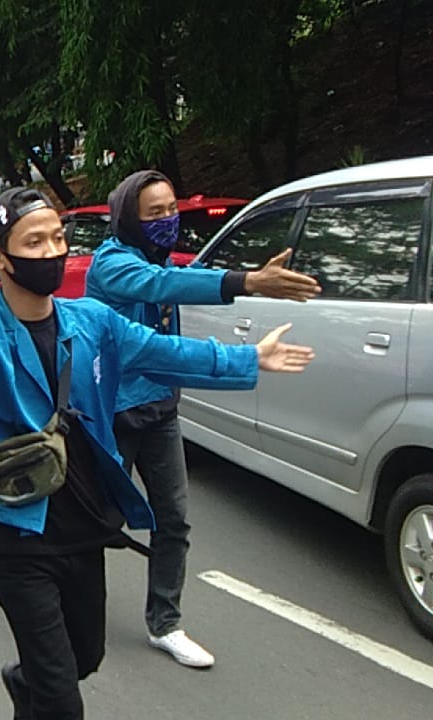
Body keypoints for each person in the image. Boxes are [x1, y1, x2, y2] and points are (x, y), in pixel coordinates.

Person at [0, 189, 314, 719]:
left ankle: (25, 680)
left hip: (85, 524)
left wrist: (250, 359)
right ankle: (39, 687)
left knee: (83, 659)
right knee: (62, 701)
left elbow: (164, 353)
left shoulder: (94, 322)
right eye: (35, 242)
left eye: (58, 237)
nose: (52, 251)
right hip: (16, 531)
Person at [83, 170, 322, 668]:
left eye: (172, 209)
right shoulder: (112, 265)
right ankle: (71, 612)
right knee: (93, 525)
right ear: (128, 218)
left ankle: (165, 622)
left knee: (174, 519)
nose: (168, 220)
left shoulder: (161, 257)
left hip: (161, 411)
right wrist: (248, 282)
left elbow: (174, 281)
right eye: (155, 213)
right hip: (113, 412)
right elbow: (162, 285)